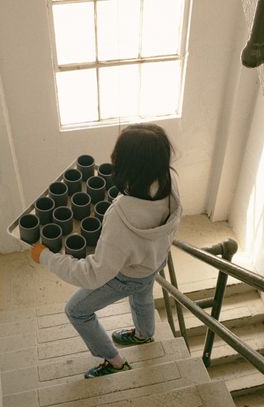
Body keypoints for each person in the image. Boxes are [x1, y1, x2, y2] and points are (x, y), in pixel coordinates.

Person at [31, 123, 182, 379]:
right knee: (143, 292)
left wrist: (46, 256)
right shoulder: (170, 181)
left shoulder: (121, 216)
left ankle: (113, 361)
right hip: (154, 260)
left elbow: (93, 274)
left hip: (127, 274)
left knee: (76, 310)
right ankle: (144, 335)